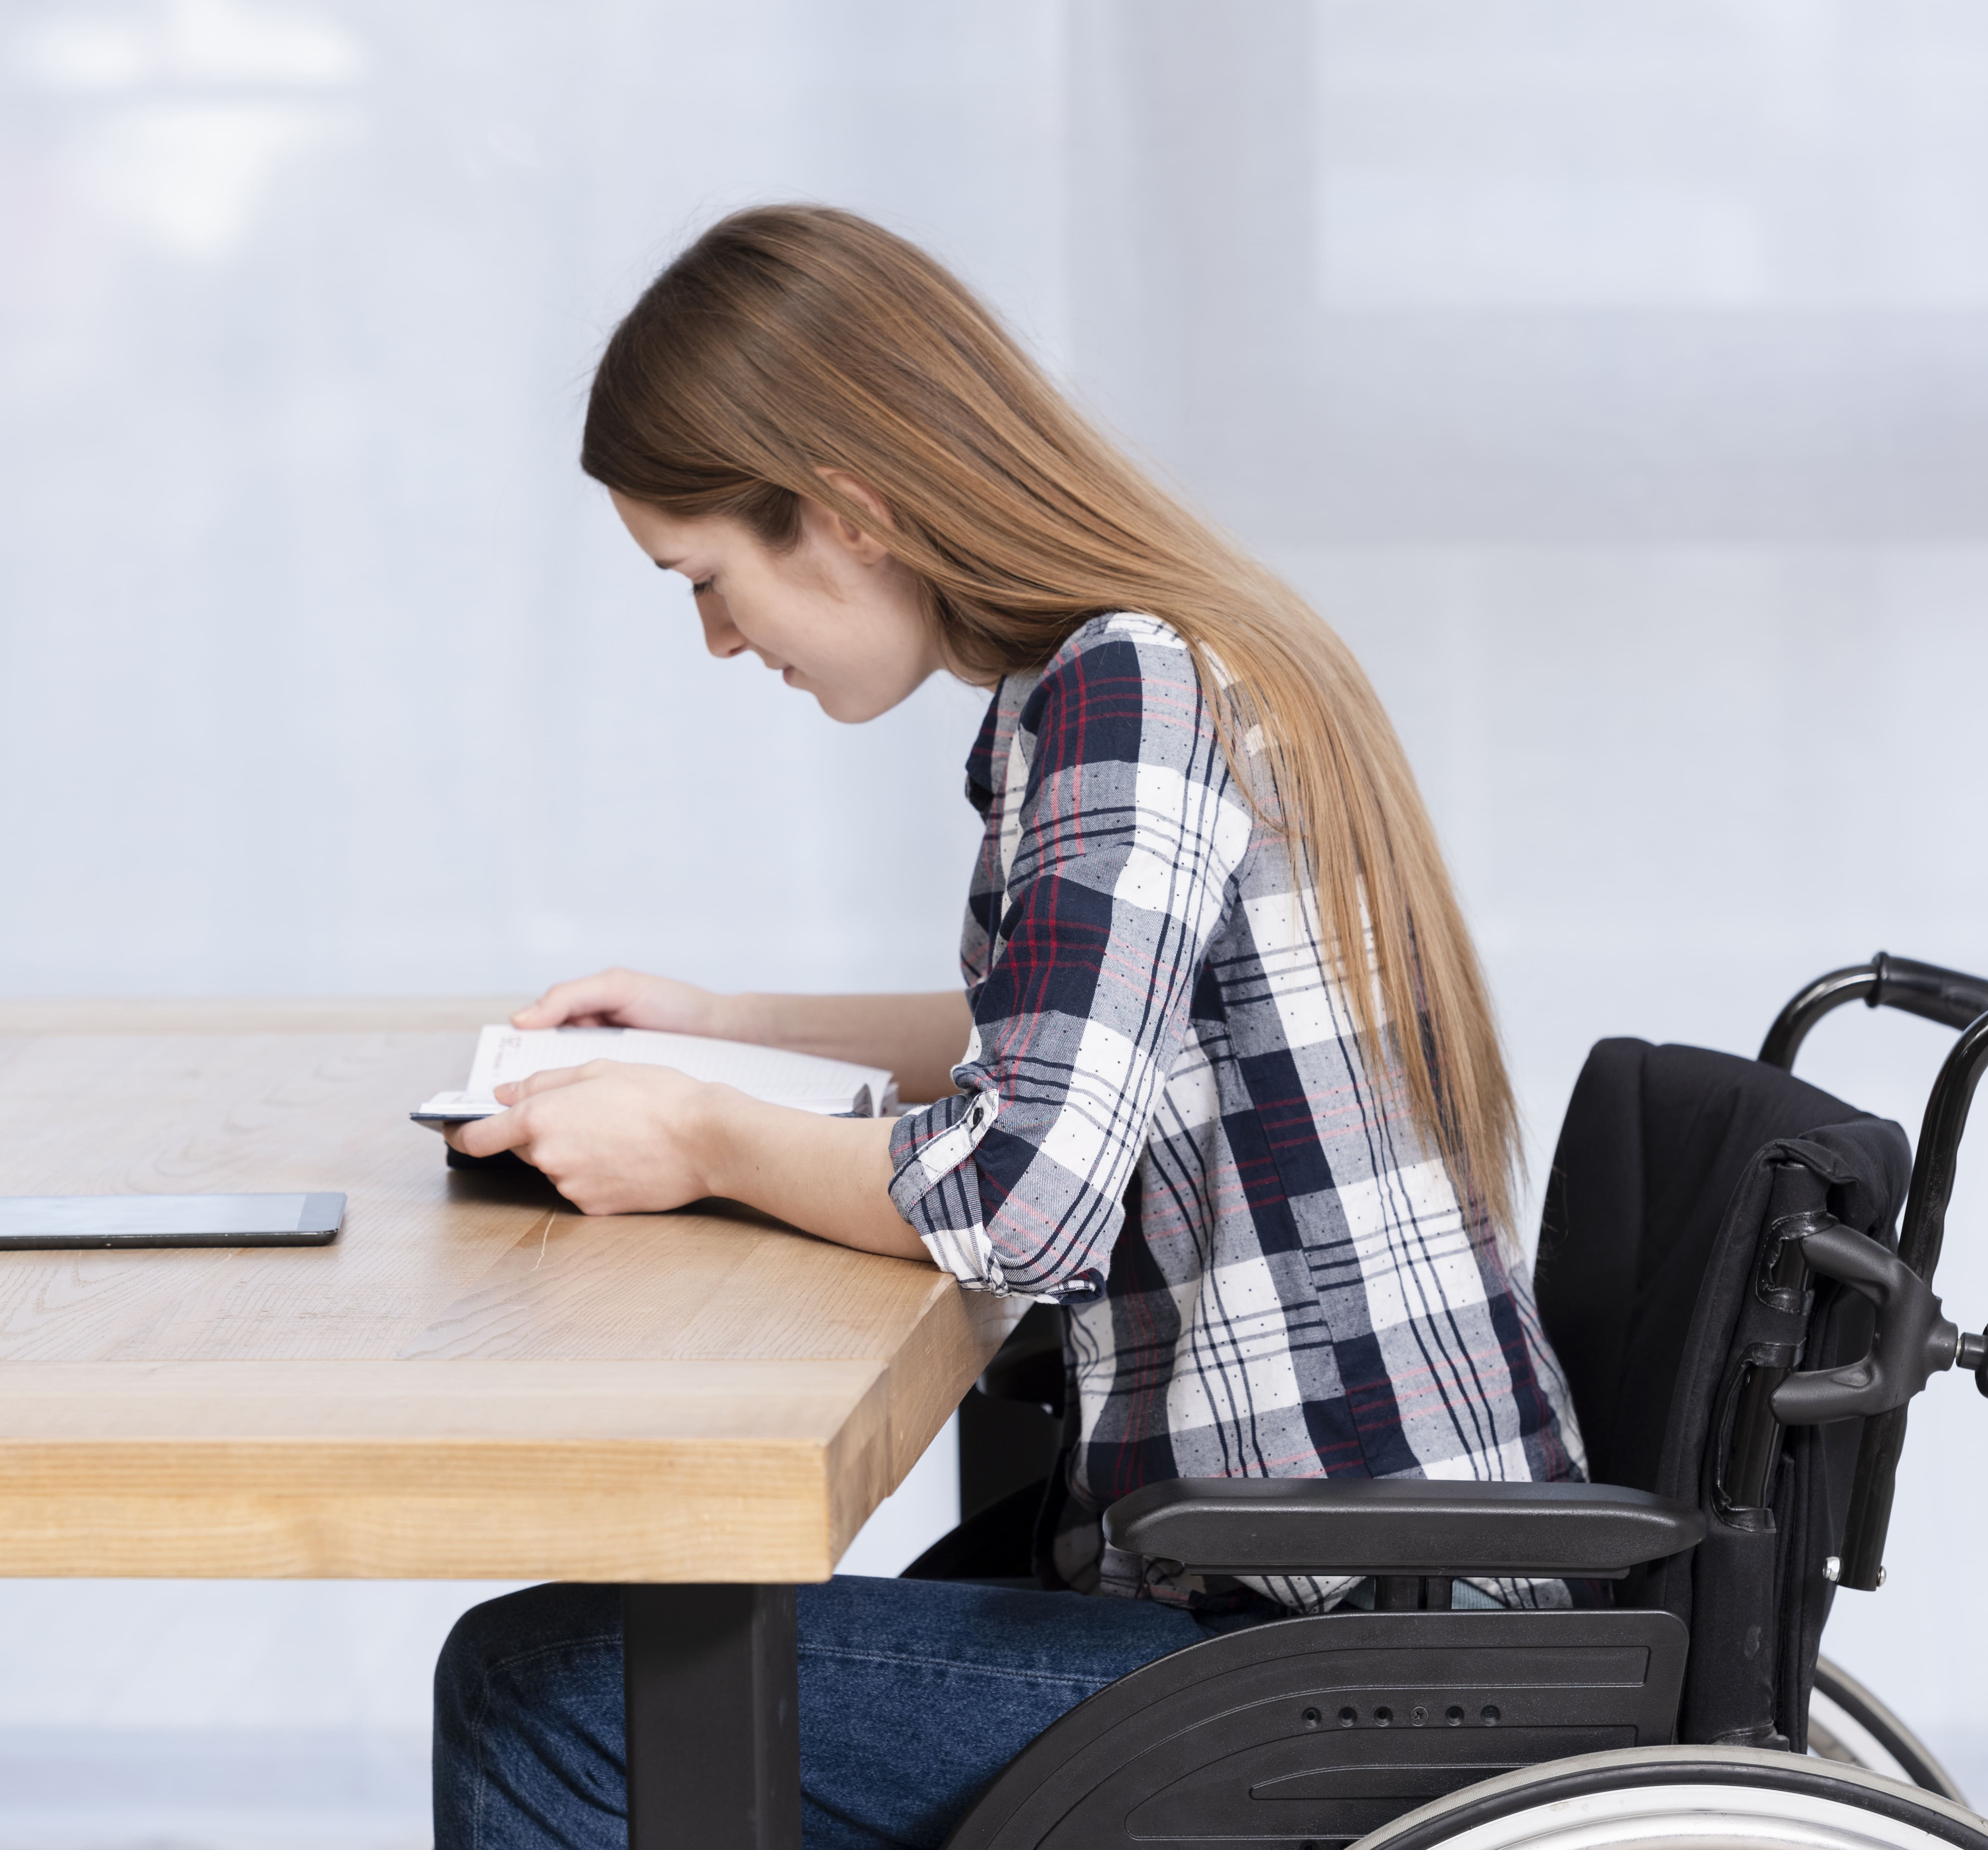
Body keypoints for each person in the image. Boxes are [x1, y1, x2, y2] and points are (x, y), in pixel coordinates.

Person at [431, 204, 1583, 1850]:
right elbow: (1082, 1045)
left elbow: (1019, 1200)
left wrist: (693, 1139)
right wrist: (722, 1029)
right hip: (1337, 1595)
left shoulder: (1128, 687)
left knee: (548, 1691)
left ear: (842, 512)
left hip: (1344, 1649)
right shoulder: (1143, 661)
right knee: (658, 1668)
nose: (717, 639)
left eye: (709, 580)